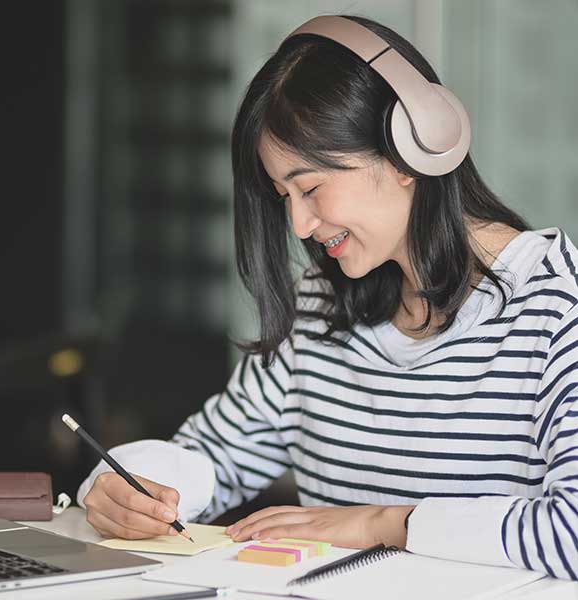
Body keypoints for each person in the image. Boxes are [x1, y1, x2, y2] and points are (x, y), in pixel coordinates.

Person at [76, 14, 578, 580]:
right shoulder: (321, 303)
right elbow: (214, 452)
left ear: (412, 148)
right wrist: (128, 488)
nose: (299, 223)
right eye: (282, 194)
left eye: (310, 187)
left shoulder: (559, 310)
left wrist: (382, 525)